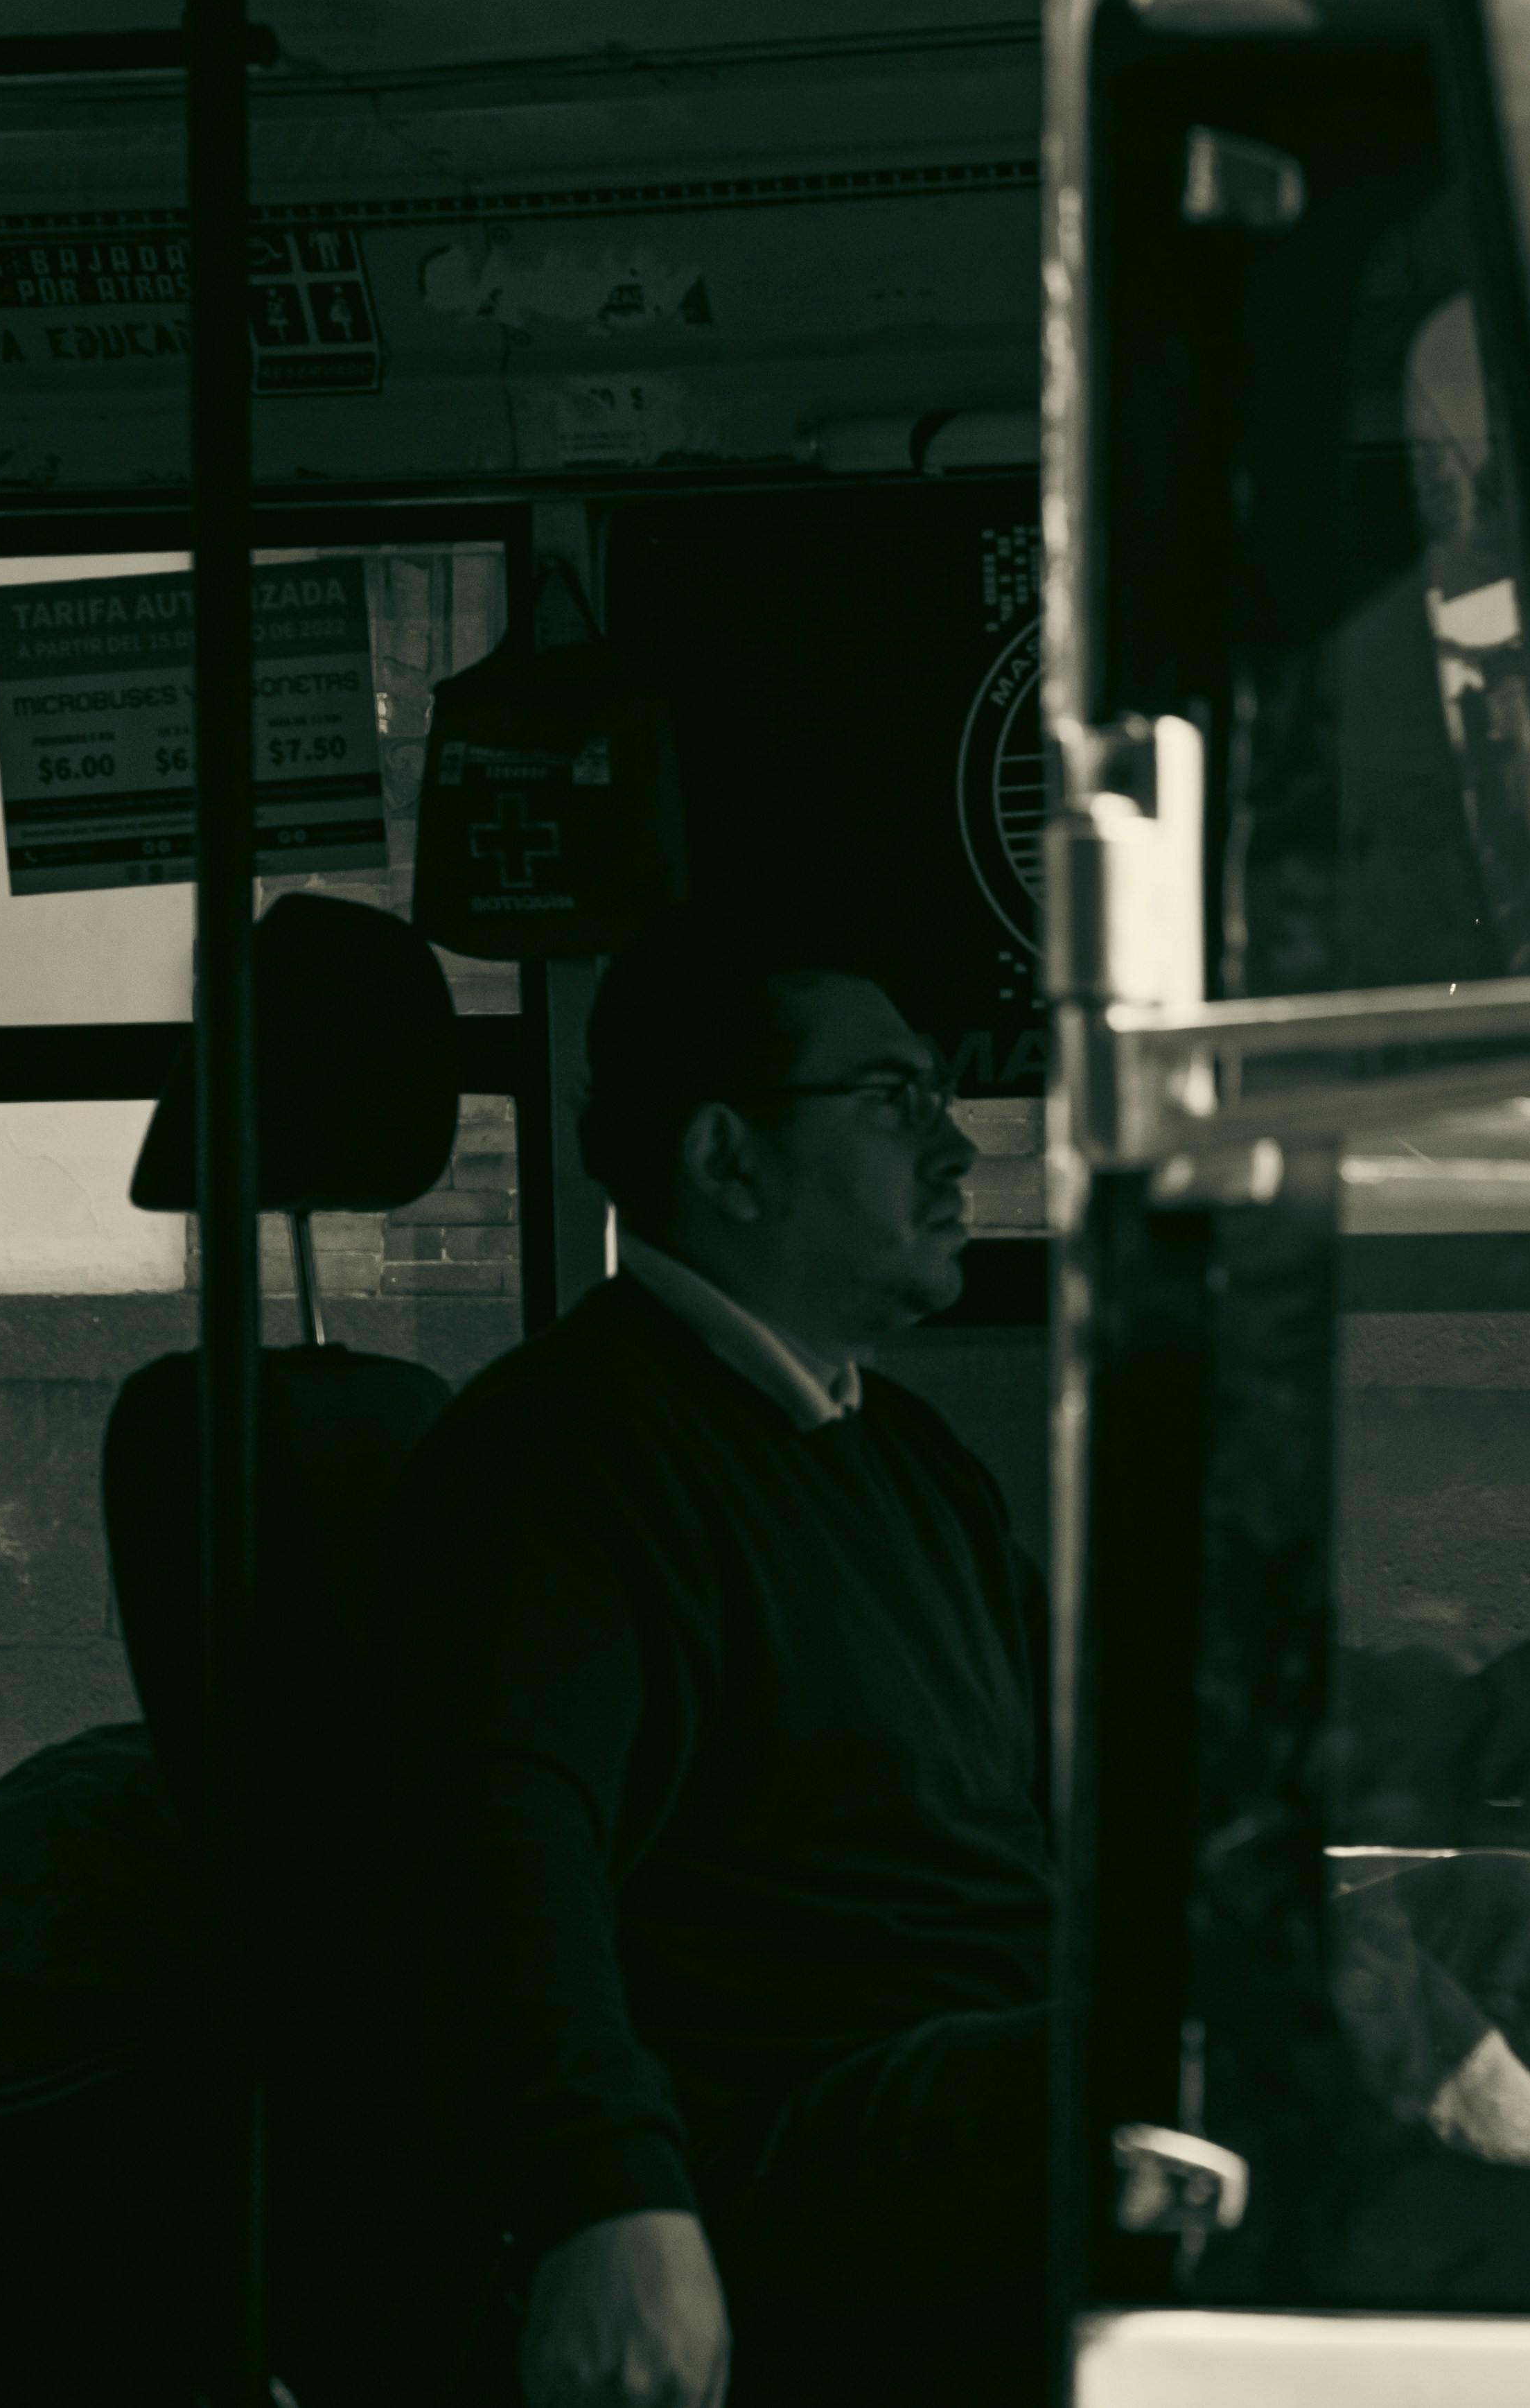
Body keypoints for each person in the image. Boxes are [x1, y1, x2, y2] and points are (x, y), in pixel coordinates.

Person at [387, 915, 1045, 2408]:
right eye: (892, 1099)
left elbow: (1118, 1750)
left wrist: (1426, 1733)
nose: (958, 1151)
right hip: (803, 2123)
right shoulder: (562, 1458)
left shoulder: (906, 1457)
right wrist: (608, 2196)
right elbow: (501, 1836)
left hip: (1004, 2060)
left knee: (1461, 1937)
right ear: (727, 1159)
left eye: (943, 1095)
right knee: (1380, 2006)